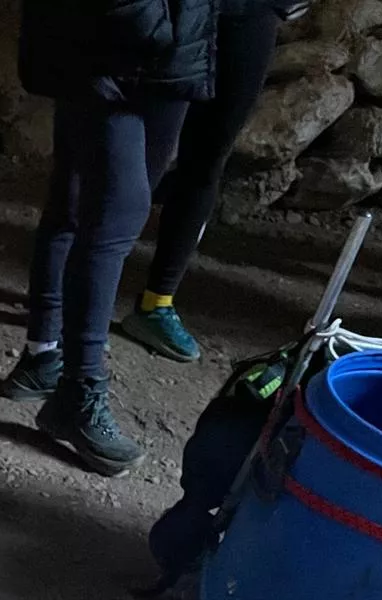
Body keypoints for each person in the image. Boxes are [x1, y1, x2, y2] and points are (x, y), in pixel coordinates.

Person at [4, 0, 220, 477]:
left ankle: (44, 359)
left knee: (84, 200)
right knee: (112, 214)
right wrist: (152, 22)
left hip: (170, 52)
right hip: (103, 48)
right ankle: (79, 390)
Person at [120, 0, 309, 363]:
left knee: (208, 157)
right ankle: (82, 297)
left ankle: (157, 302)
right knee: (141, 154)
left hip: (248, 13)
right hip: (177, 9)